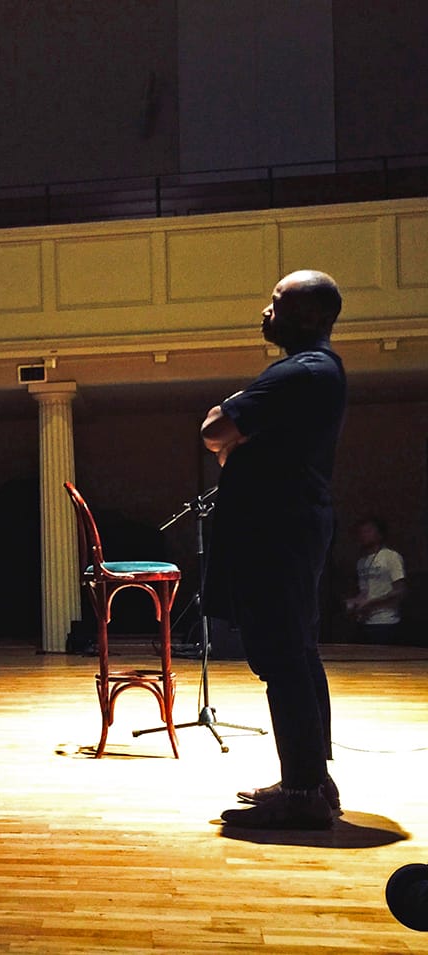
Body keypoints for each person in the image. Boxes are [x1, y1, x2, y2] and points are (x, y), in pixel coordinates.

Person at [200, 270, 347, 830]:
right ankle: (309, 779)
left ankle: (305, 794)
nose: (266, 311)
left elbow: (215, 428)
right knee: (297, 654)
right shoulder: (317, 372)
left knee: (283, 659)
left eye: (276, 303)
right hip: (291, 527)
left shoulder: (301, 371)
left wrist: (235, 427)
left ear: (308, 315)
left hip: (277, 531)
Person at [347, 516, 407, 643]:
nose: (363, 535)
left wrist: (371, 603)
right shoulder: (361, 562)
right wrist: (355, 602)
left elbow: (400, 591)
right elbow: (365, 591)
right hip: (364, 621)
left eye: (368, 531)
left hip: (385, 622)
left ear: (379, 534)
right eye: (361, 532)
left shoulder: (391, 557)